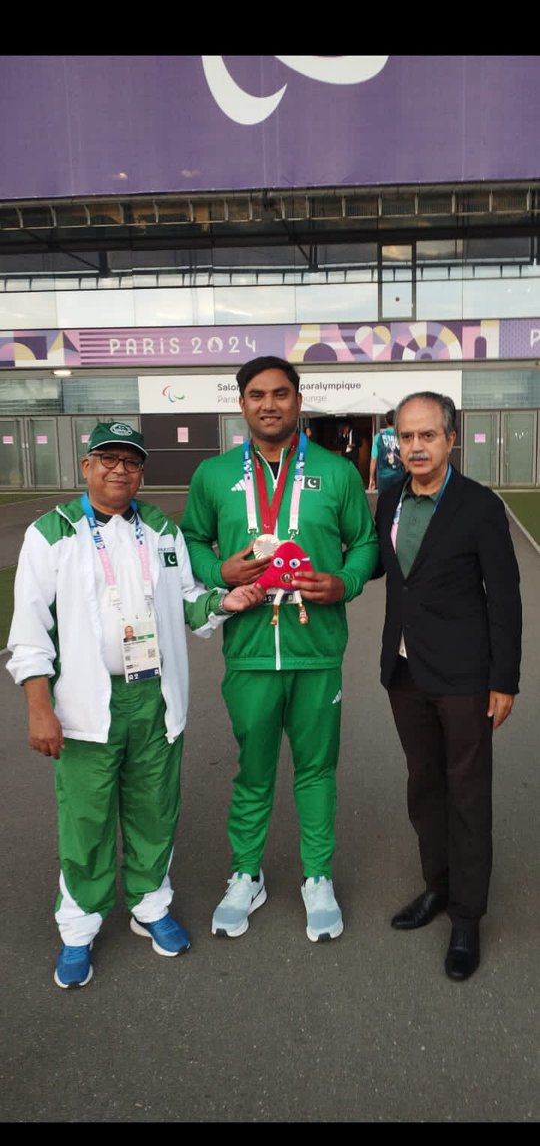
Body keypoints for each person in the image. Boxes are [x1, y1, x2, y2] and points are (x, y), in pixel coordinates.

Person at [6, 420, 263, 989]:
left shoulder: (162, 531)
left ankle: (150, 904)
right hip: (85, 707)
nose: (120, 469)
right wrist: (38, 707)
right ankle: (79, 926)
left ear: (142, 471)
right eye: (108, 458)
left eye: (131, 461)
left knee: (155, 811)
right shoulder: (51, 534)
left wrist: (230, 600)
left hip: (157, 700)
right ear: (86, 466)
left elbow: (191, 604)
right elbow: (30, 632)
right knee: (86, 820)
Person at [181, 355, 379, 943]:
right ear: (241, 404)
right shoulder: (213, 476)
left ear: (299, 400)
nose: (270, 404)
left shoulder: (337, 473)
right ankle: (247, 874)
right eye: (257, 395)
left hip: (317, 650)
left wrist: (343, 581)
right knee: (253, 771)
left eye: (282, 394)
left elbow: (364, 543)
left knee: (317, 771)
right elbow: (191, 537)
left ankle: (317, 877)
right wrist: (219, 569)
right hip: (248, 653)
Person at [372, 391, 522, 981]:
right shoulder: (388, 500)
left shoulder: (480, 507)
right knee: (424, 786)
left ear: (450, 440)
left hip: (464, 676)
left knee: (466, 795)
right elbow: (379, 568)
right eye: (406, 437)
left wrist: (503, 679)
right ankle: (436, 886)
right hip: (405, 673)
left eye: (427, 436)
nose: (415, 447)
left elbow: (504, 599)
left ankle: (467, 916)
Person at [369, 410, 404, 493]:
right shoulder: (402, 437)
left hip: (383, 477)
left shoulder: (378, 437)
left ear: (385, 420)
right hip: (399, 476)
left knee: (383, 502)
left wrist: (371, 478)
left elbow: (373, 460)